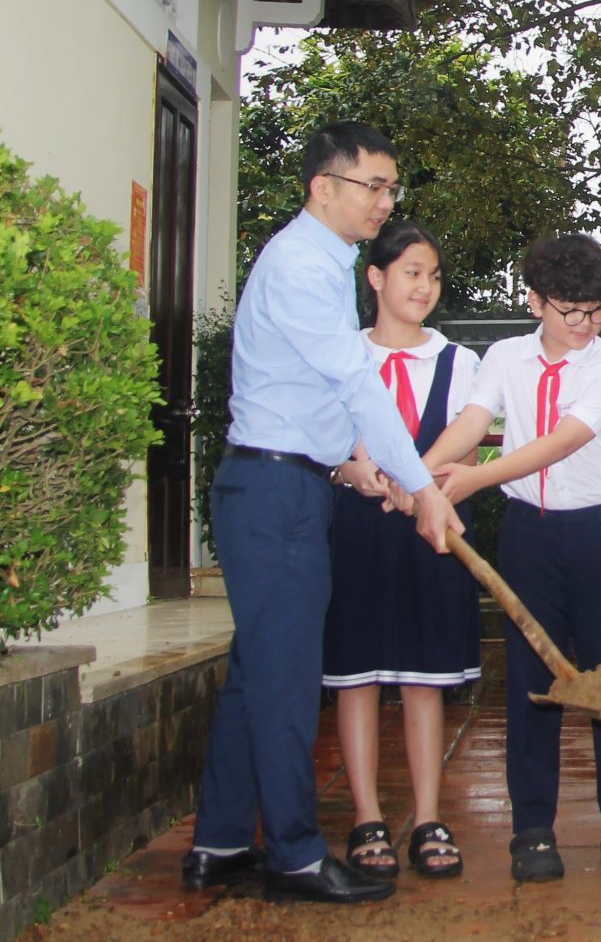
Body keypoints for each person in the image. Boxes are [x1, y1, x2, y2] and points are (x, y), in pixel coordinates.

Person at [184, 123, 461, 905]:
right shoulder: (304, 265)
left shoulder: (321, 264)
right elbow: (353, 380)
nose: (384, 201)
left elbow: (307, 394)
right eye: (372, 185)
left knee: (255, 674)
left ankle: (222, 840)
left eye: (390, 187)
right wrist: (425, 485)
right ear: (323, 186)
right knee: (285, 677)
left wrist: (361, 462)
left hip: (288, 481)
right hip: (273, 495)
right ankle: (297, 856)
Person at [424, 235, 601, 884]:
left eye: (596, 311)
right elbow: (472, 422)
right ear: (534, 301)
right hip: (530, 533)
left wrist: (472, 479)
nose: (583, 325)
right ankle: (532, 826)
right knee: (531, 675)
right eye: (569, 310)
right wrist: (425, 473)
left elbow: (559, 442)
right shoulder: (503, 357)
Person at [320, 222, 481, 881]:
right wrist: (349, 471)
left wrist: (418, 486)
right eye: (411, 271)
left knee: (425, 677)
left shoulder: (458, 361)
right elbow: (322, 440)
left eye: (433, 274)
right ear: (377, 278)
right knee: (355, 676)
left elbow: (468, 448)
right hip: (356, 528)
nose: (424, 285)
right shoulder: (340, 355)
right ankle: (366, 816)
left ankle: (428, 815)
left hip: (430, 531)